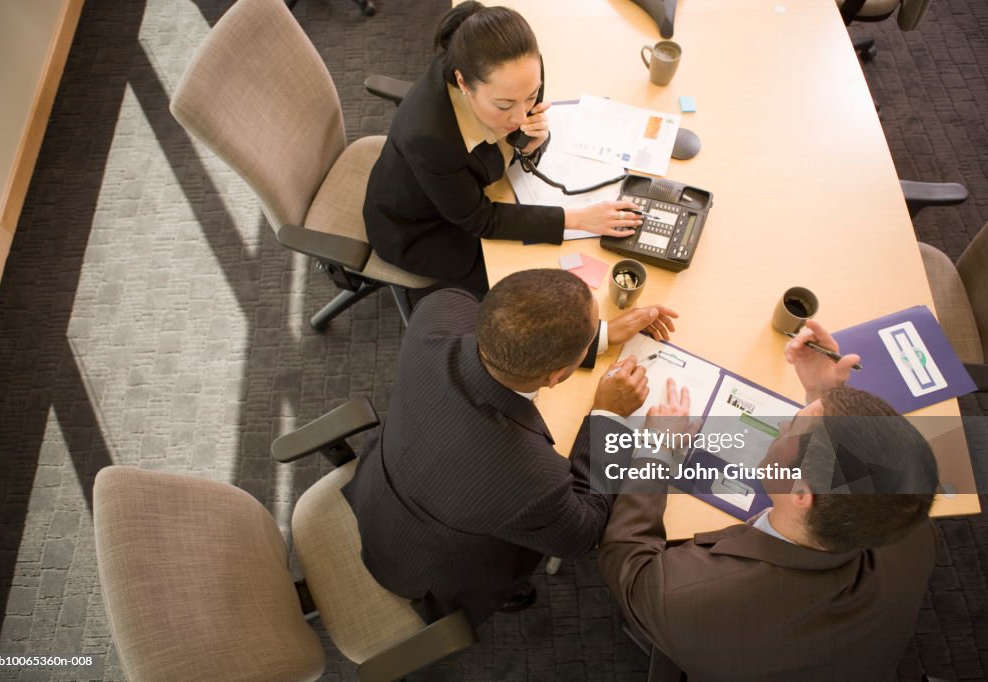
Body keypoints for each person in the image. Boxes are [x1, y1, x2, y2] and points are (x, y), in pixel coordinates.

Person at [598, 319, 941, 682]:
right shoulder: (909, 523)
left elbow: (628, 564)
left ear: (801, 495)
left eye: (792, 426)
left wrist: (657, 450)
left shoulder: (690, 597)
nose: (781, 425)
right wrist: (826, 397)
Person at [342, 268, 678, 626]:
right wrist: (608, 416)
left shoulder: (437, 312)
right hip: (424, 570)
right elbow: (585, 533)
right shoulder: (532, 479)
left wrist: (603, 336)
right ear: (556, 376)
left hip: (378, 488)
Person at [363, 1, 644, 296]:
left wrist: (530, 146)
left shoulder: (520, 73)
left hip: (468, 190)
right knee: (517, 290)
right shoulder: (430, 137)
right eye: (504, 105)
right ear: (463, 82)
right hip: (421, 227)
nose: (522, 116)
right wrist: (577, 219)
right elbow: (480, 219)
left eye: (531, 96)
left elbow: (523, 130)